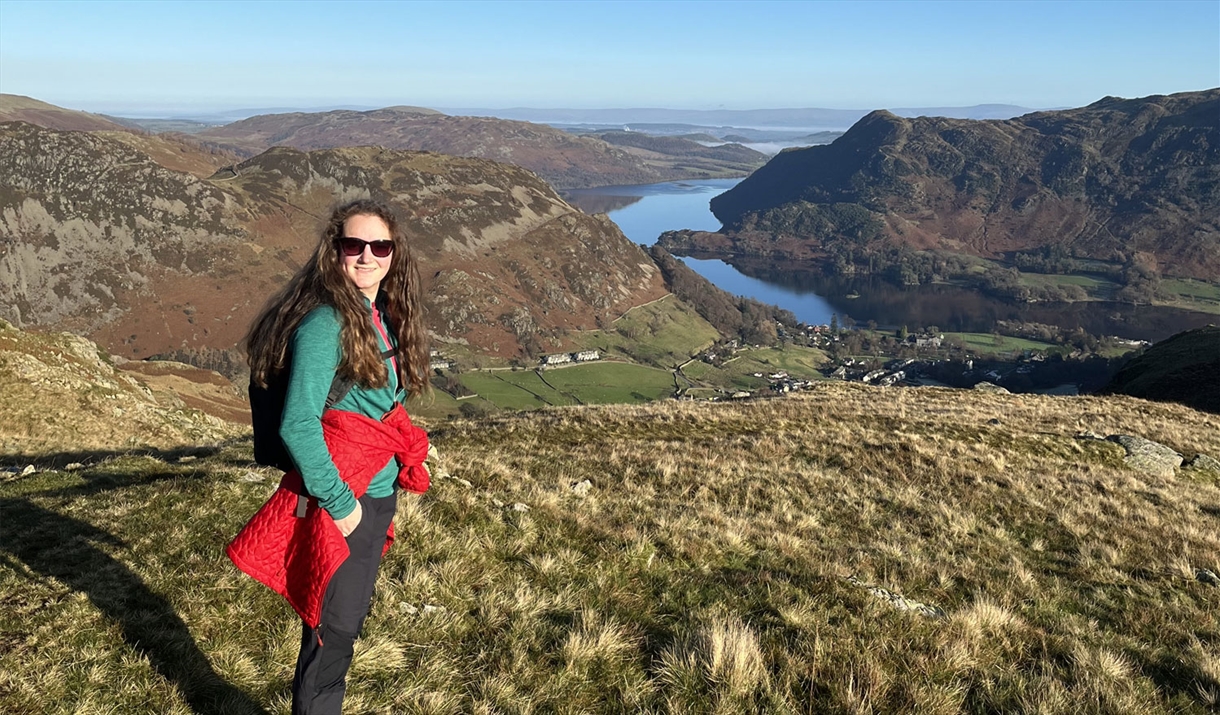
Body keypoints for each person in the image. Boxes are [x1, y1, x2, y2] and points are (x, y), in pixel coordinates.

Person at [229, 199, 431, 714]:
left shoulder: (378, 313)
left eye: (379, 246)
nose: (367, 257)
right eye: (353, 245)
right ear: (334, 250)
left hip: (375, 487)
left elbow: (382, 404)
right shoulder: (327, 322)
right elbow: (297, 422)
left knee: (341, 622)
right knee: (332, 631)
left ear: (394, 253)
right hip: (347, 496)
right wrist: (341, 504)